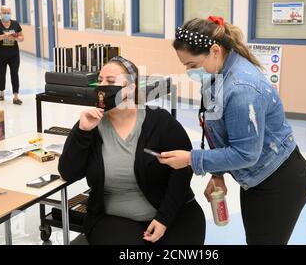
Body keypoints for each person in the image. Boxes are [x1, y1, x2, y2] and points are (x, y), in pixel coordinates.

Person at [158, 16, 306, 245]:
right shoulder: (214, 76)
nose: (190, 72)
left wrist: (192, 159)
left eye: (192, 65)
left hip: (279, 181)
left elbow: (245, 154)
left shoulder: (241, 89)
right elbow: (216, 130)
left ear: (215, 50)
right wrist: (218, 175)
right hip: (255, 178)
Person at [58, 56, 206, 245]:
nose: (102, 86)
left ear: (130, 88)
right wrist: (83, 130)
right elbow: (68, 172)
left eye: (110, 81)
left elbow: (183, 170)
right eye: (100, 80)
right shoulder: (91, 125)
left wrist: (164, 219)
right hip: (113, 220)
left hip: (173, 213)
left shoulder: (159, 122)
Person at [0, 6, 24, 105]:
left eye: (8, 12)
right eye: (4, 12)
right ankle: (1, 92)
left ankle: (16, 96)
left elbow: (22, 37)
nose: (6, 14)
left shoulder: (15, 24)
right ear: (0, 13)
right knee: (1, 73)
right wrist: (3, 36)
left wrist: (16, 38)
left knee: (14, 73)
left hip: (13, 54)